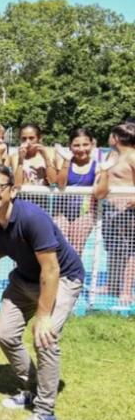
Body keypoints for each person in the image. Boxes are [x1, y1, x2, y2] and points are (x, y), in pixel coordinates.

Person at [0, 163, 85, 420]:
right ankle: (33, 388)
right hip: (24, 277)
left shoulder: (31, 217)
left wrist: (44, 315)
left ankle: (45, 412)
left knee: (45, 338)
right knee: (4, 334)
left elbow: (52, 269)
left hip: (62, 279)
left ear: (12, 190)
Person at [93, 122, 135, 305]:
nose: (108, 138)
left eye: (111, 135)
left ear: (116, 138)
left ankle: (126, 290)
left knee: (129, 251)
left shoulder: (133, 156)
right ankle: (111, 284)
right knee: (113, 249)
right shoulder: (112, 155)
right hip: (110, 210)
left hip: (128, 211)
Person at [52, 128, 98, 256]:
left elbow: (100, 192)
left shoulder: (97, 165)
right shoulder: (65, 161)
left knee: (76, 249)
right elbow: (61, 185)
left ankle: (74, 275)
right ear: (70, 146)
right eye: (76, 145)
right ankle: (58, 275)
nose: (81, 149)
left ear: (92, 145)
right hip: (61, 213)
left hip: (85, 213)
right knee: (58, 247)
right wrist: (66, 160)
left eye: (85, 144)